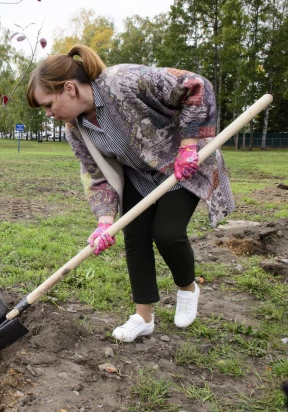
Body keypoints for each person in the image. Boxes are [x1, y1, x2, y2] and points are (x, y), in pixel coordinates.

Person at [26, 45, 234, 343]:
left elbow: (194, 85)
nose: (48, 113)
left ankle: (188, 288)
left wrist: (189, 146)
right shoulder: (76, 129)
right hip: (139, 177)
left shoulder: (122, 80)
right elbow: (96, 176)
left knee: (167, 233)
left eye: (48, 104)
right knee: (135, 239)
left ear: (68, 89)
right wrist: (104, 221)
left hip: (182, 167)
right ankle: (144, 317)